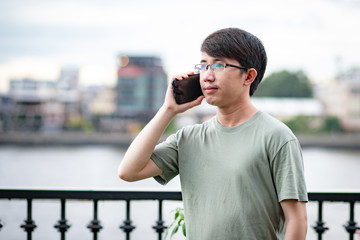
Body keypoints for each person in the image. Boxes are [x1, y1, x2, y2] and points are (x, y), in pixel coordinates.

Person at [118, 27, 308, 240]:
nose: (207, 76)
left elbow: (296, 219)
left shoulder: (277, 136)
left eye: (218, 65)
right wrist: (168, 110)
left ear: (248, 76)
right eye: (203, 65)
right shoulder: (188, 138)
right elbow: (129, 171)